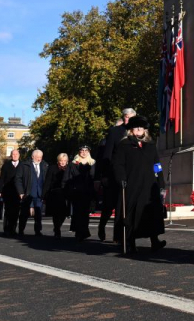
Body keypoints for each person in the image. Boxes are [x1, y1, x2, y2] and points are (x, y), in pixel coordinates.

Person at [112, 115, 166, 254]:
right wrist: (121, 178)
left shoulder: (150, 145)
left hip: (149, 185)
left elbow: (156, 165)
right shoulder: (124, 145)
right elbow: (118, 165)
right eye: (136, 128)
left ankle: (155, 241)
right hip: (132, 184)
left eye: (141, 128)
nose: (139, 130)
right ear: (131, 130)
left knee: (151, 213)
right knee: (131, 214)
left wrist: (160, 181)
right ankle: (130, 241)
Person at [98, 108, 136, 242]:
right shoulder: (115, 132)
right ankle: (102, 226)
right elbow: (107, 155)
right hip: (114, 174)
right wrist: (105, 176)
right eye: (125, 117)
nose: (127, 119)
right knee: (109, 205)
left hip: (131, 174)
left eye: (130, 117)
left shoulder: (138, 132)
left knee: (124, 206)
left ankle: (121, 236)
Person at [15, 150, 49, 236]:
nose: (39, 159)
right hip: (28, 193)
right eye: (37, 157)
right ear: (32, 157)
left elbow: (47, 180)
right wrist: (21, 192)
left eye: (40, 157)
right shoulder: (24, 165)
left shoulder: (45, 165)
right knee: (24, 213)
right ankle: (21, 229)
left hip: (39, 193)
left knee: (38, 213)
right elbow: (18, 179)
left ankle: (38, 231)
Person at [66, 145, 96, 241]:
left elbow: (94, 178)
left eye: (86, 150)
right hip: (76, 192)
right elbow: (67, 178)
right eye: (82, 150)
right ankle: (79, 232)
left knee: (85, 213)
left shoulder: (92, 163)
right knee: (77, 213)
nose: (84, 152)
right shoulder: (73, 164)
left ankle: (84, 231)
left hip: (87, 192)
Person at [45, 154, 70, 238]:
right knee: (56, 214)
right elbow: (48, 181)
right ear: (58, 160)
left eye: (64, 160)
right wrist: (44, 194)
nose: (63, 162)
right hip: (54, 193)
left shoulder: (69, 168)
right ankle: (57, 230)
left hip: (65, 194)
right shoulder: (52, 168)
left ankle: (57, 227)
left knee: (63, 214)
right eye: (61, 160)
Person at [0, 149, 22, 236]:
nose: (15, 156)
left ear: (19, 155)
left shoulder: (22, 165)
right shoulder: (6, 165)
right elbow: (1, 179)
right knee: (8, 211)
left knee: (16, 211)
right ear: (11, 156)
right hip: (8, 191)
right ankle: (7, 228)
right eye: (13, 154)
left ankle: (13, 228)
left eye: (16, 154)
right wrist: (0, 190)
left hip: (18, 192)